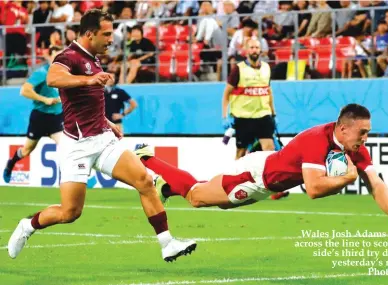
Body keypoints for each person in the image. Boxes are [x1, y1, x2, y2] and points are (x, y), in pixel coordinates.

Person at [7, 9, 196, 262]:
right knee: (70, 212)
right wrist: (87, 80)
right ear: (89, 33)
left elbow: (83, 103)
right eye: (106, 34)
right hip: (78, 146)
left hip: (104, 139)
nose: (111, 39)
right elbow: (53, 78)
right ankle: (27, 226)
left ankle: (167, 243)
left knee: (145, 181)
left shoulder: (94, 58)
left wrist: (106, 120)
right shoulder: (70, 56)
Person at [135, 104, 388, 228]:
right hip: (254, 175)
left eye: (368, 132)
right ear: (343, 129)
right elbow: (313, 189)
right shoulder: (316, 140)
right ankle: (148, 158)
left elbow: (375, 181)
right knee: (197, 197)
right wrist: (345, 179)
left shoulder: (351, 146)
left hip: (266, 183)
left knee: (212, 200)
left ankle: (168, 188)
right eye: (363, 133)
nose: (366, 138)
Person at [3, 46, 63, 184]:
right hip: (40, 118)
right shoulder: (42, 73)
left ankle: (66, 180)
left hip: (56, 118)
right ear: (49, 56)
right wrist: (44, 99)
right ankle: (11, 164)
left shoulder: (64, 73)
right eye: (57, 56)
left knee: (66, 146)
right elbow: (24, 91)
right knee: (26, 151)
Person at [222, 38, 276, 160]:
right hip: (243, 117)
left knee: (269, 149)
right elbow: (226, 94)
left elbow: (268, 91)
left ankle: (267, 178)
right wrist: (225, 116)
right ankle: (236, 177)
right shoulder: (238, 69)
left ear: (260, 50)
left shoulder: (266, 68)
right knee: (241, 153)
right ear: (246, 51)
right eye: (251, 48)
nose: (254, 50)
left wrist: (273, 113)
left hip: (263, 115)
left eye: (257, 47)